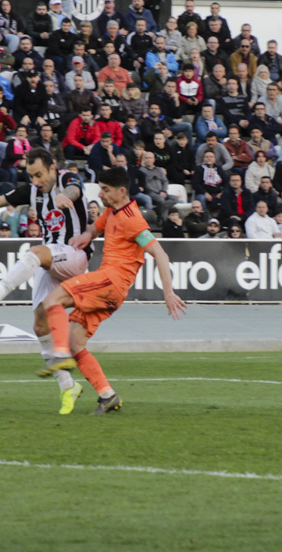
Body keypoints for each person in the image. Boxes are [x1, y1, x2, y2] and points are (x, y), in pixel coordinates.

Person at [0, 148, 93, 413]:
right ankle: (68, 386)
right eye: (31, 176)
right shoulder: (32, 191)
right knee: (40, 327)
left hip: (75, 254)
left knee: (34, 252)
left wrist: (64, 196)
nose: (36, 181)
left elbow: (75, 190)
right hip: (51, 260)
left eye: (39, 175)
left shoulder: (68, 180)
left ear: (53, 167)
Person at [40, 167, 186, 415]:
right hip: (110, 291)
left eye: (106, 190)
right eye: (100, 188)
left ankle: (59, 356)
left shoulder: (133, 220)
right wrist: (86, 236)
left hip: (111, 282)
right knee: (76, 341)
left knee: (52, 299)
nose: (101, 193)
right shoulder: (111, 212)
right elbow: (95, 229)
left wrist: (168, 292)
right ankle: (107, 395)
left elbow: (160, 253)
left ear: (121, 192)